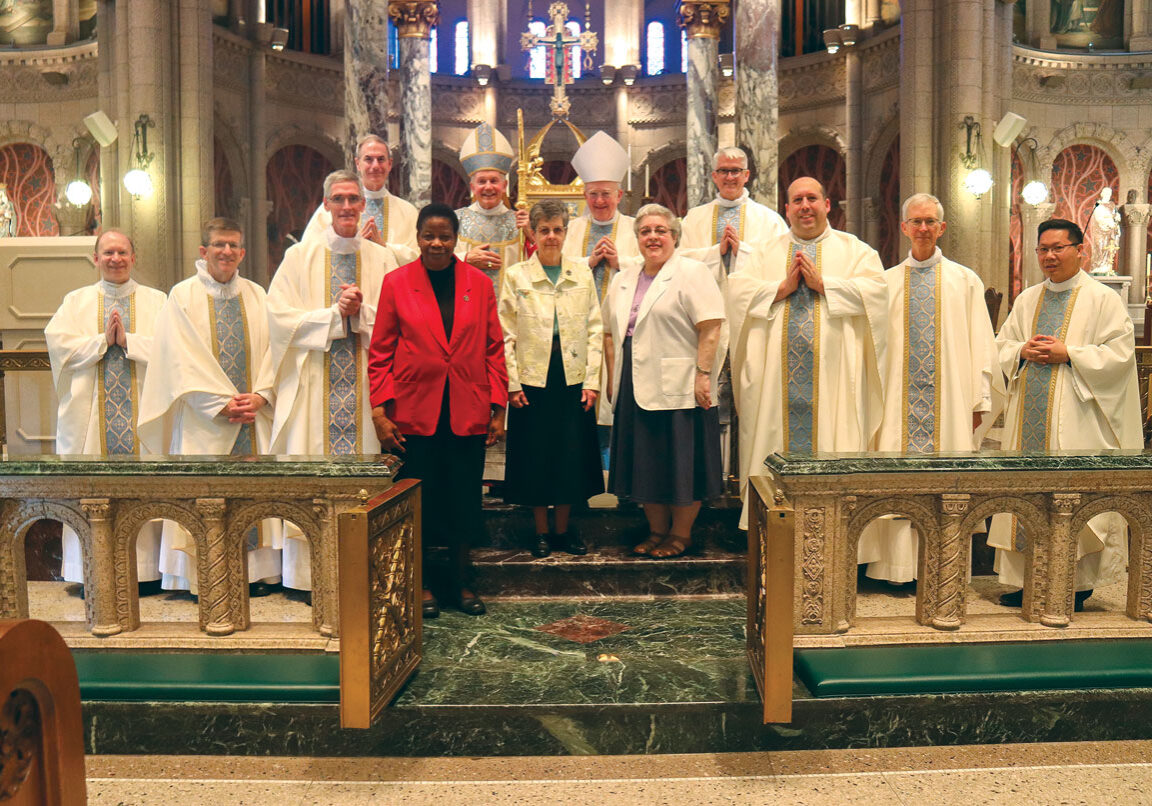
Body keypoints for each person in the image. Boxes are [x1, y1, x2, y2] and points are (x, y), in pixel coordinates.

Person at [989, 218, 1142, 611]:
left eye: (1058, 248)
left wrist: (1069, 354)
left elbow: (1120, 354)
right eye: (1043, 249)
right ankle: (1027, 583)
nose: (1050, 256)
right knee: (1027, 494)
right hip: (1029, 423)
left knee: (1068, 495)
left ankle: (1076, 586)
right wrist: (1020, 351)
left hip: (1078, 421)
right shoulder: (1028, 298)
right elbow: (1002, 344)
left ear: (1080, 250)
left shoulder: (1101, 299)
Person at [267, 169, 402, 601]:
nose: (346, 207)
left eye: (353, 199)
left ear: (365, 205)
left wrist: (360, 313)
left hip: (364, 389)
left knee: (361, 480)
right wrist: (332, 315)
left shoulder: (381, 259)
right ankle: (308, 578)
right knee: (313, 476)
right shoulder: (299, 256)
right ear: (325, 206)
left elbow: (398, 322)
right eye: (338, 199)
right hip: (313, 387)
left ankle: (360, 573)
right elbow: (278, 317)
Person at [856, 194, 1004, 585]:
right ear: (903, 227)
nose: (923, 228)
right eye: (915, 221)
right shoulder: (884, 283)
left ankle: (946, 569)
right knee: (896, 481)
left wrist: (979, 399)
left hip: (950, 405)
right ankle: (894, 571)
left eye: (930, 222)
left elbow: (981, 347)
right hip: (894, 405)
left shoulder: (964, 280)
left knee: (945, 487)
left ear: (942, 228)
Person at [369, 203, 508, 617]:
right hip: (414, 413)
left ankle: (462, 581)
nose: (436, 243)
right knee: (422, 501)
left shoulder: (479, 284)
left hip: (467, 409)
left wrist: (498, 408)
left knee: (463, 499)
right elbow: (380, 352)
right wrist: (379, 411)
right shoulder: (397, 283)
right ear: (417, 237)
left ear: (455, 239)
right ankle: (424, 583)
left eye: (445, 236)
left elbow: (493, 349)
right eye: (429, 235)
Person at [727, 177, 886, 529]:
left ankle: (835, 536)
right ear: (787, 208)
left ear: (827, 204)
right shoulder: (764, 252)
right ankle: (769, 538)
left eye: (812, 198)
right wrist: (779, 288)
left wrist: (824, 285)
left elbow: (878, 294)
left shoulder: (855, 250)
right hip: (775, 389)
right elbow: (736, 293)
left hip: (834, 386)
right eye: (797, 199)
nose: (805, 206)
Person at [138, 217, 281, 597]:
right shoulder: (181, 296)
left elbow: (275, 351)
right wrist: (218, 404)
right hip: (204, 420)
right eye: (219, 244)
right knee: (206, 495)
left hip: (252, 416)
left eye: (234, 245)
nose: (227, 252)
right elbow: (176, 359)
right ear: (203, 251)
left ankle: (252, 576)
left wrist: (261, 395)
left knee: (252, 496)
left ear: (243, 252)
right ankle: (201, 578)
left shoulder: (258, 295)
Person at [45, 230, 167, 594]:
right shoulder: (75, 301)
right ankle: (89, 573)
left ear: (134, 257)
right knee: (90, 490)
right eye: (108, 252)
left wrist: (129, 341)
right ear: (95, 258)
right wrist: (102, 341)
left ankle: (144, 574)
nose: (116, 258)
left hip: (142, 417)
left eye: (123, 252)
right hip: (89, 419)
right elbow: (60, 348)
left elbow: (172, 350)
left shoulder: (157, 301)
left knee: (142, 488)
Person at [603, 204, 725, 559]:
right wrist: (613, 379)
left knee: (681, 462)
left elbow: (711, 325)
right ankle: (657, 530)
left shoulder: (692, 272)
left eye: (661, 231)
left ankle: (681, 534)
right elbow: (611, 335)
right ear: (637, 238)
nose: (653, 237)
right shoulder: (623, 278)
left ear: (674, 237)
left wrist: (703, 374)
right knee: (647, 461)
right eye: (645, 231)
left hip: (682, 384)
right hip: (634, 382)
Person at [499, 200, 604, 558]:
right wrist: (512, 383)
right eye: (544, 230)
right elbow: (506, 334)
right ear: (533, 232)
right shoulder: (517, 276)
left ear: (566, 231)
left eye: (558, 229)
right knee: (536, 455)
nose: (551, 236)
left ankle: (563, 529)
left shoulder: (581, 273)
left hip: (572, 377)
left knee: (569, 455)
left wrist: (592, 381)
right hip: (532, 378)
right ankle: (541, 531)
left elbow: (595, 329)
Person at [680, 146, 787, 288]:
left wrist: (741, 251)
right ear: (714, 176)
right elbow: (679, 262)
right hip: (704, 301)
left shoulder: (770, 219)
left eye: (736, 171)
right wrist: (717, 252)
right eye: (723, 171)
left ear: (746, 175)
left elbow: (779, 265)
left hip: (748, 303)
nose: (729, 177)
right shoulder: (694, 218)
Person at [301, 134, 418, 253]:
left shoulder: (408, 212)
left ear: (389, 164)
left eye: (381, 159)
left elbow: (417, 258)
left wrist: (384, 247)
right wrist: (352, 243)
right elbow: (309, 252)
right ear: (358, 164)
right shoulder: (334, 208)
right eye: (368, 159)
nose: (375, 166)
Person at [562, 131, 640, 302]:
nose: (599, 201)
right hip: (578, 309)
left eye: (606, 194)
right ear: (585, 196)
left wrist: (620, 262)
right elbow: (558, 265)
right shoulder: (571, 228)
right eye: (593, 194)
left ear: (619, 195)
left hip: (621, 310)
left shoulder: (636, 228)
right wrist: (588, 262)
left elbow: (649, 265)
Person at [454, 122, 531, 293]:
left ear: (504, 186)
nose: (488, 187)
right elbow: (435, 261)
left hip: (508, 310)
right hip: (467, 305)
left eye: (494, 181)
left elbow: (537, 266)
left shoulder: (518, 222)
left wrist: (530, 235)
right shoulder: (455, 220)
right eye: (482, 181)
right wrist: (464, 258)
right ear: (472, 187)